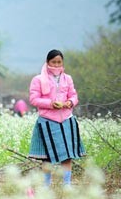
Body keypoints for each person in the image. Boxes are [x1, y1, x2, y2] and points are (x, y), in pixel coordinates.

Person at [28, 49, 85, 187]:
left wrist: (68, 103)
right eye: (53, 62)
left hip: (66, 119)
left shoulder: (68, 78)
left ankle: (67, 185)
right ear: (48, 62)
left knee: (67, 155)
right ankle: (46, 186)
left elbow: (73, 96)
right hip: (47, 121)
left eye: (59, 62)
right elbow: (34, 99)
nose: (56, 65)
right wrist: (51, 104)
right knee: (47, 157)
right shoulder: (38, 79)